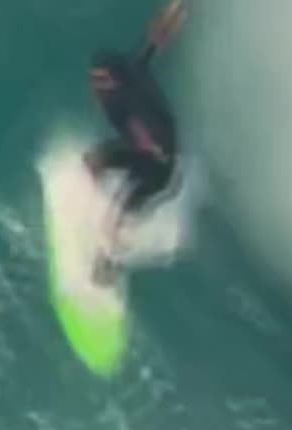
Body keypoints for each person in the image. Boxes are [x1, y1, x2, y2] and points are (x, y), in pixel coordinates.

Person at [85, 0, 186, 285]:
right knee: (92, 161)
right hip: (148, 150)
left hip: (158, 166)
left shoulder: (119, 102)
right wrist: (176, 9)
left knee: (117, 220)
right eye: (93, 78)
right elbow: (156, 37)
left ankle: (107, 268)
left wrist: (151, 148)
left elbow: (137, 129)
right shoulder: (131, 66)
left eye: (101, 80)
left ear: (113, 80)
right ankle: (101, 203)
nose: (95, 85)